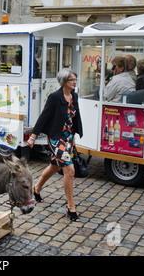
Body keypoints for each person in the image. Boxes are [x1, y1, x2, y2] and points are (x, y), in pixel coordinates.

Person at [27, 68, 83, 222]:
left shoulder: (74, 96)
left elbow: (74, 118)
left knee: (55, 166)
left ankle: (36, 188)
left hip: (67, 138)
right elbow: (44, 117)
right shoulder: (55, 97)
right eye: (72, 80)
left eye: (75, 79)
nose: (74, 82)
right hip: (55, 138)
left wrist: (74, 136)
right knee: (69, 170)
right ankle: (71, 207)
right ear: (64, 81)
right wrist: (33, 137)